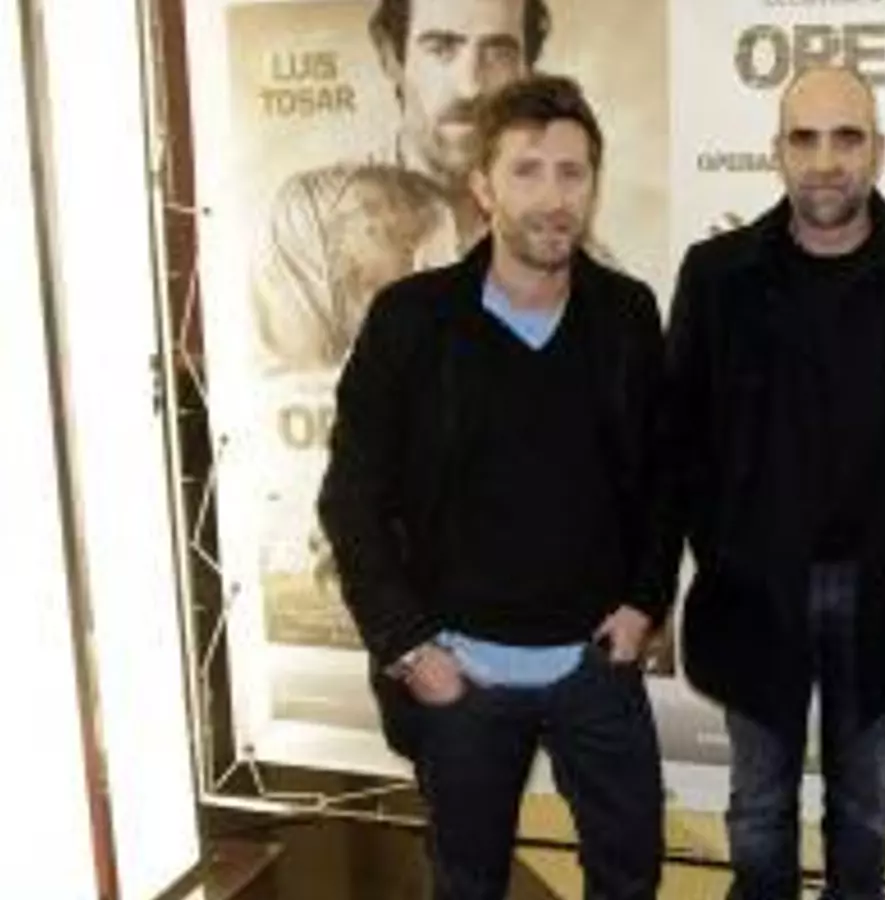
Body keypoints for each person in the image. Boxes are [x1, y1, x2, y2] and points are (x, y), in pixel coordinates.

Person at [317, 74, 668, 900]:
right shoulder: (411, 320)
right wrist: (411, 648)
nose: (553, 197)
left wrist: (644, 602)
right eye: (527, 171)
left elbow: (664, 472)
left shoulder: (626, 314)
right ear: (482, 186)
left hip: (594, 668)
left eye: (572, 173)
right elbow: (350, 497)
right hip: (461, 680)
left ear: (593, 185)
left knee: (630, 878)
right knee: (468, 887)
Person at [661, 65, 885, 898]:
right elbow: (678, 439)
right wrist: (721, 549)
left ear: (879, 151)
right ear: (777, 153)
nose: (826, 161)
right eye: (805, 139)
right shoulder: (717, 274)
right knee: (756, 808)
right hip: (753, 591)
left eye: (847, 138)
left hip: (884, 592)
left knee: (867, 807)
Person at [253, 0, 553, 372]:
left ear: (527, 72)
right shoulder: (315, 217)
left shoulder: (563, 244)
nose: (470, 87)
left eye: (498, 53)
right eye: (441, 48)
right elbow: (292, 391)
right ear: (390, 56)